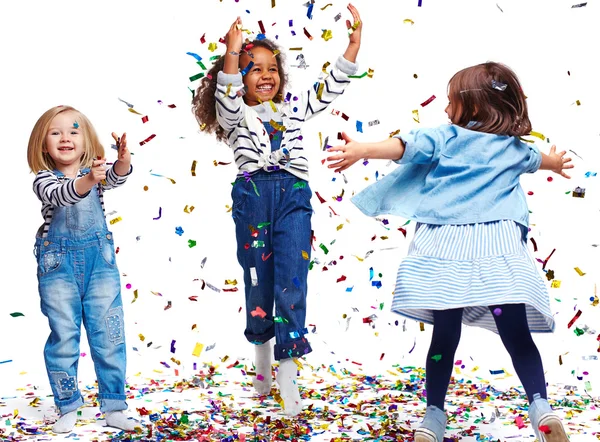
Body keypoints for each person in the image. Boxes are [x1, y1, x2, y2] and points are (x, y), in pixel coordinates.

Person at [326, 62, 573, 442]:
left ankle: (434, 416)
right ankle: (541, 406)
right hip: (498, 246)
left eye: (451, 101)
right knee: (516, 333)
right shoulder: (512, 148)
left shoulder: (445, 137)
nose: (444, 109)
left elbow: (403, 147)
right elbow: (539, 160)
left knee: (444, 333)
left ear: (473, 107)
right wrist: (556, 162)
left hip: (446, 245)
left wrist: (363, 150)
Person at [192, 4, 362, 416]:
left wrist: (352, 46)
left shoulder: (293, 108)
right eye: (255, 69)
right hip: (253, 197)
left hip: (293, 197)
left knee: (291, 279)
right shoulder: (234, 116)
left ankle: (288, 371)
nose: (266, 75)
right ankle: (263, 359)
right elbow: (227, 95)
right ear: (239, 78)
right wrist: (232, 55)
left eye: (272, 68)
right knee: (259, 281)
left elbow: (329, 88)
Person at [27, 105, 138, 433]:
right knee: (64, 336)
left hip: (100, 265)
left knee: (109, 333)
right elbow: (62, 195)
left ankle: (114, 403)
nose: (65, 137)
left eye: (74, 131)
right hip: (57, 266)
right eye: (56, 132)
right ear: (43, 143)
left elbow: (117, 176)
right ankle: (67, 404)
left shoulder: (97, 172)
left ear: (87, 139)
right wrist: (91, 177)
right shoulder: (44, 180)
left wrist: (122, 159)